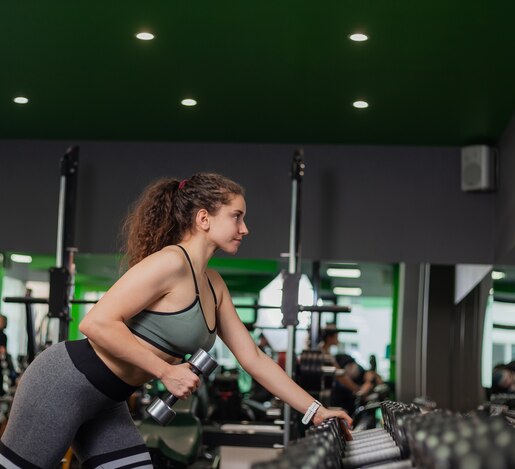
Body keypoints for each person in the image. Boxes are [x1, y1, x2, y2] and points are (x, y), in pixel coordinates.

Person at [0, 173, 351, 469]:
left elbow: (254, 359)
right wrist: (165, 371)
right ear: (203, 218)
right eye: (237, 216)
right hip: (62, 385)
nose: (245, 228)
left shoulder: (214, 285)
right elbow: (95, 323)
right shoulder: (170, 263)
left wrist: (315, 411)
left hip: (107, 401)